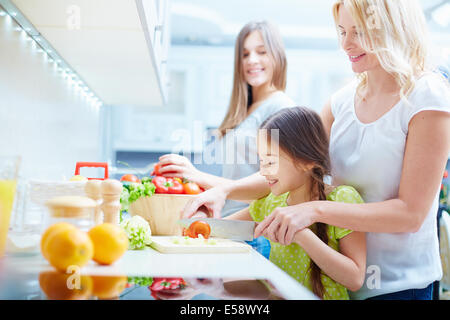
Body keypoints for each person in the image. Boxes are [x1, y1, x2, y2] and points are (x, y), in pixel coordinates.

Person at [183, 0, 450, 300]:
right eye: (342, 31)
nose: (345, 44)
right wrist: (225, 192)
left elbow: (410, 214)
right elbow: (292, 168)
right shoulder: (340, 103)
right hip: (339, 286)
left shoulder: (427, 96)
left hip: (398, 287)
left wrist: (313, 211)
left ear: (390, 30)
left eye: (357, 32)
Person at [154, 21, 296, 257]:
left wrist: (198, 176)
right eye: (245, 54)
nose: (251, 60)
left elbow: (276, 179)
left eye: (261, 52)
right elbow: (236, 178)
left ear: (277, 56)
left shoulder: (281, 107)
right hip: (233, 229)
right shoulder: (245, 110)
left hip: (256, 234)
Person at [226, 106, 366, 299]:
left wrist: (301, 235)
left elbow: (355, 278)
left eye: (270, 162)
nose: (263, 171)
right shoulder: (272, 202)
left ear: (306, 161)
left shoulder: (342, 199)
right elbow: (222, 229)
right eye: (261, 161)